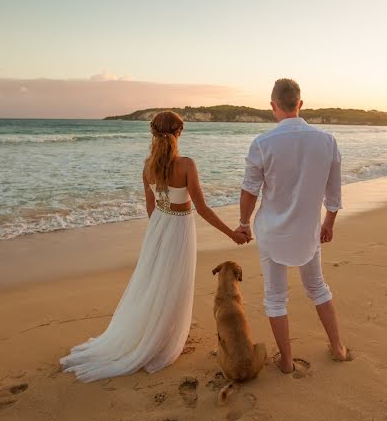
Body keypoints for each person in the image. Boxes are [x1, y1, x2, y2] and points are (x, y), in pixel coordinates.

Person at [60, 111, 250, 382]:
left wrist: (158, 233)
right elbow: (202, 208)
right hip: (180, 227)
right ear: (179, 133)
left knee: (156, 282)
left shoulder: (148, 165)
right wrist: (232, 233)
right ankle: (162, 339)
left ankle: (154, 332)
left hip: (159, 227)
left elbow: (151, 207)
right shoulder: (186, 164)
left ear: (153, 134)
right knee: (174, 283)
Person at [237, 78, 351, 374]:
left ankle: (286, 362)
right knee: (317, 287)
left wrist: (243, 224)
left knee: (275, 297)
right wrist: (329, 222)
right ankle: (338, 348)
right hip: (308, 231)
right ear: (300, 104)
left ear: (273, 106)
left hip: (272, 232)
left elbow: (249, 191)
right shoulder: (326, 141)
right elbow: (334, 192)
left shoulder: (262, 143)